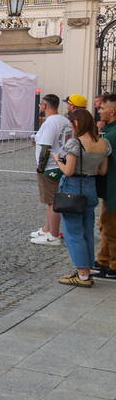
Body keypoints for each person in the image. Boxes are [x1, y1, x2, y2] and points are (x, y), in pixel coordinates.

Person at [55, 108, 110, 287]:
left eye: (72, 123)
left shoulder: (75, 144)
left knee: (73, 233)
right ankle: (86, 270)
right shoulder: (103, 143)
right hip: (90, 188)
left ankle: (83, 274)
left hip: (73, 188)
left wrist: (57, 161)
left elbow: (69, 171)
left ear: (77, 123)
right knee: (86, 231)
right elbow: (103, 171)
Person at [31, 94, 69, 246]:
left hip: (50, 167)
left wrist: (41, 167)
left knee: (52, 202)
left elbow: (46, 147)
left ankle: (53, 234)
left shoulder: (50, 122)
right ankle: (47, 229)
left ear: (45, 106)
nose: (40, 107)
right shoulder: (64, 120)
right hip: (59, 164)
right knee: (51, 201)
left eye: (41, 104)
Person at [96, 94, 116, 279]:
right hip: (110, 189)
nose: (99, 111)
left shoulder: (112, 135)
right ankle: (103, 259)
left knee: (110, 227)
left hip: (113, 189)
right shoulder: (110, 132)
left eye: (102, 108)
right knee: (105, 224)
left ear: (112, 111)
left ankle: (113, 263)